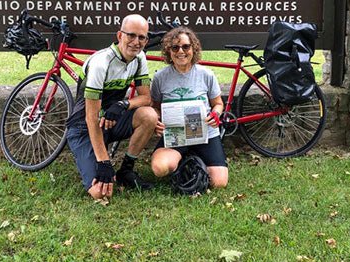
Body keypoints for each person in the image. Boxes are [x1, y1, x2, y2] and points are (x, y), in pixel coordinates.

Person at [65, 14, 157, 199]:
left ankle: (126, 171)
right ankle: (99, 156)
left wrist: (123, 104)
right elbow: (91, 118)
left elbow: (146, 98)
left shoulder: (139, 59)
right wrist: (103, 162)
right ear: (119, 35)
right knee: (100, 193)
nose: (136, 42)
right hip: (84, 127)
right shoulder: (101, 62)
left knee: (149, 115)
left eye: (142, 38)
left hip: (110, 121)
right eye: (131, 35)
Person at [150, 27, 229, 188]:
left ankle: (191, 157)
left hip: (205, 134)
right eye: (175, 47)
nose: (181, 51)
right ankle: (184, 158)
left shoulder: (206, 74)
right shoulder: (160, 78)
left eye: (186, 47)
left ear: (193, 49)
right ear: (168, 51)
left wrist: (215, 114)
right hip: (176, 135)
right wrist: (156, 120)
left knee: (219, 182)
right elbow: (155, 107)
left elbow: (218, 104)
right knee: (160, 169)